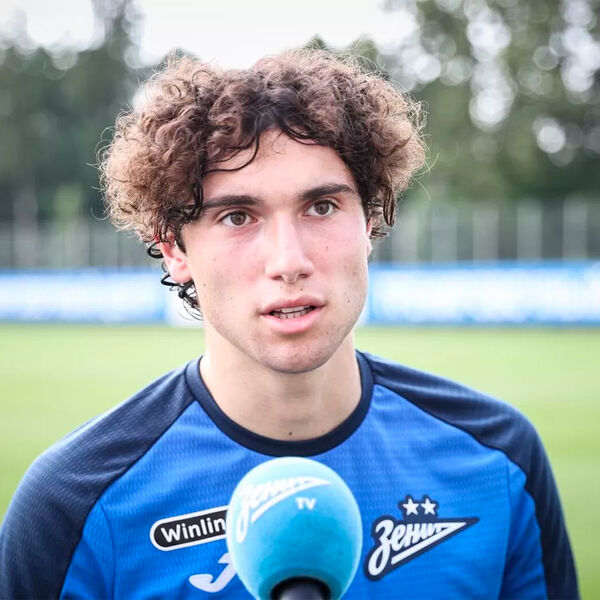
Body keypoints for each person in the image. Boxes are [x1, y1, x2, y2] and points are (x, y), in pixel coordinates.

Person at [0, 50, 577, 599]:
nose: (289, 261)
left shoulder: (499, 462)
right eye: (237, 216)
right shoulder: (73, 503)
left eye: (321, 207)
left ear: (370, 221)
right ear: (174, 249)